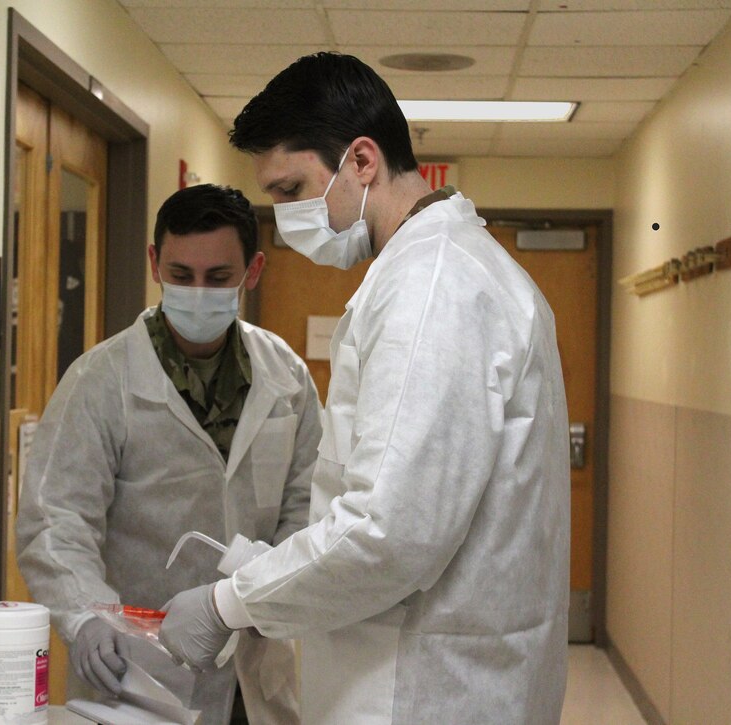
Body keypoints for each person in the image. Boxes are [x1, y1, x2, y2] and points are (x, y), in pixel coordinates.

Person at [158, 53, 570, 724]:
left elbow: (390, 532)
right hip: (449, 677)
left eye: (291, 189)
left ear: (362, 161)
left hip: (424, 692)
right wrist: (277, 571)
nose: (284, 216)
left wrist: (229, 602)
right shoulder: (452, 269)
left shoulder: (430, 289)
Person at [16, 183, 321, 725]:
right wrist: (85, 618)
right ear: (156, 263)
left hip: (254, 665)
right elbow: (55, 522)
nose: (198, 292)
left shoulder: (288, 379)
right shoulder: (101, 380)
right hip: (136, 670)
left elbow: (308, 511)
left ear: (252, 270)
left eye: (218, 278)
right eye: (181, 276)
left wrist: (261, 598)